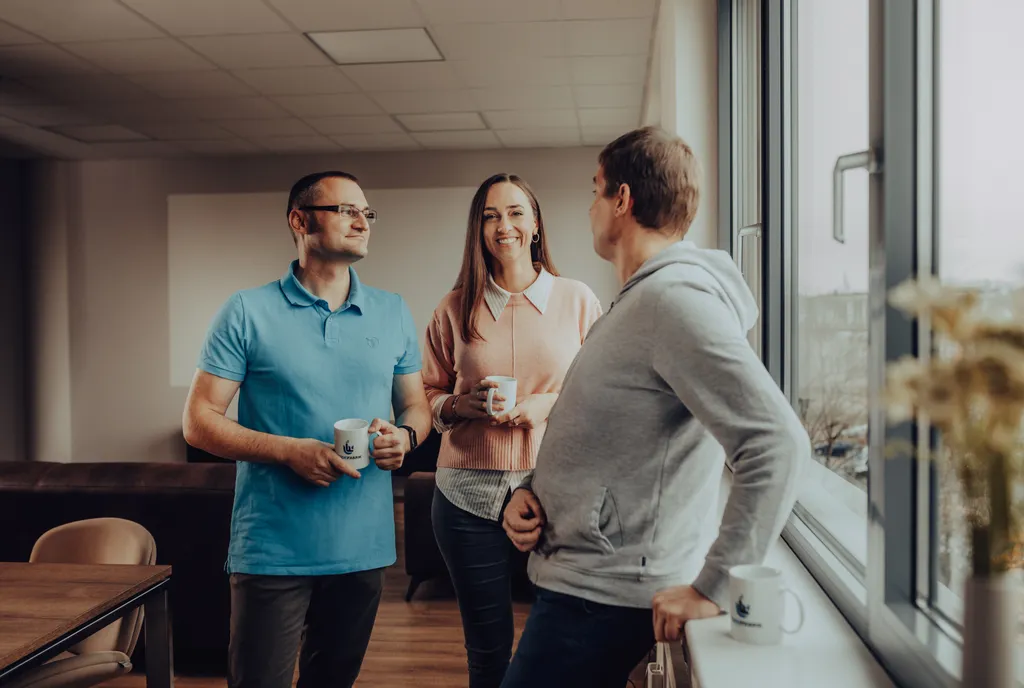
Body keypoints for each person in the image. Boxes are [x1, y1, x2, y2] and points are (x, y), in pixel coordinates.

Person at [499, 127, 807, 688]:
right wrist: (529, 488)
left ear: (622, 199)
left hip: (600, 596)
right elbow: (611, 433)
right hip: (580, 581)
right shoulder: (640, 300)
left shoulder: (672, 301)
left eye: (595, 191)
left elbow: (776, 441)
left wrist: (713, 587)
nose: (590, 206)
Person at [181, 170, 431, 688]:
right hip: (274, 549)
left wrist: (403, 439)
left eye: (367, 212)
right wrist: (289, 451)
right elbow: (199, 422)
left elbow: (416, 406)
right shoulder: (247, 311)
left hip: (364, 546)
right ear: (299, 220)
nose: (362, 221)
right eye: (346, 210)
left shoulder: (393, 310)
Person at [422, 173, 603, 688]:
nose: (505, 225)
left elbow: (603, 394)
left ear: (536, 223)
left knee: (563, 646)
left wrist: (547, 402)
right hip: (465, 496)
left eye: (516, 212)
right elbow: (428, 397)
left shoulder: (577, 299)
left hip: (556, 490)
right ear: (478, 231)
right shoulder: (453, 307)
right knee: (488, 652)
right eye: (491, 216)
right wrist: (461, 404)